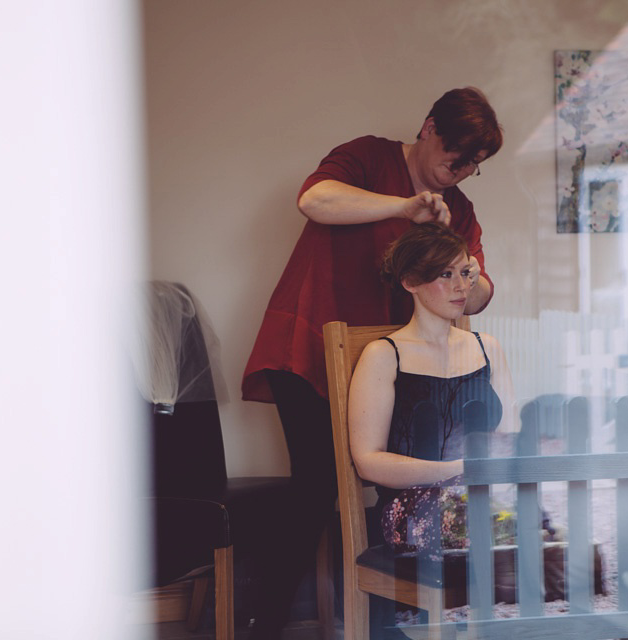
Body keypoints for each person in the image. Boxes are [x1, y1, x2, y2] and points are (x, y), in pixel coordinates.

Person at [241, 87, 502, 638]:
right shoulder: (367, 156)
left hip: (386, 367)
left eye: (472, 167)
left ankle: (375, 616)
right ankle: (265, 621)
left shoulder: (460, 207)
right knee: (317, 484)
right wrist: (403, 207)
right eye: (456, 159)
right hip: (310, 343)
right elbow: (315, 200)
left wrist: (470, 275)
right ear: (429, 127)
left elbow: (475, 291)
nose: (459, 173)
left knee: (394, 485)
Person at [348, 222, 515, 554]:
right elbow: (368, 460)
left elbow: (508, 440)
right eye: (445, 275)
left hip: (483, 497)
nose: (461, 287)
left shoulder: (488, 347)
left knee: (545, 525)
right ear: (410, 282)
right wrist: (457, 471)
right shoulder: (383, 355)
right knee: (490, 531)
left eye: (465, 273)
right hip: (413, 507)